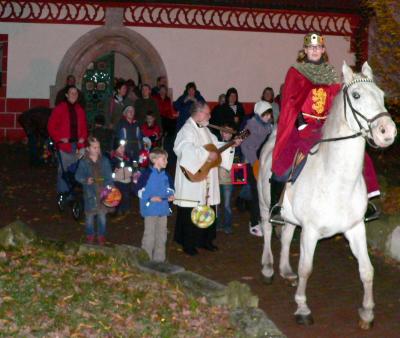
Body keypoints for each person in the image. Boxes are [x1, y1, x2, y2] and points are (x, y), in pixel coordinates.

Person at [270, 32, 380, 224]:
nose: (315, 50)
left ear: (322, 50)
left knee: (359, 154)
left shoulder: (330, 73)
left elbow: (337, 101)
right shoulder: (295, 71)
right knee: (284, 162)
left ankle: (367, 200)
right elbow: (290, 102)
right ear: (305, 50)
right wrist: (302, 126)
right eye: (311, 48)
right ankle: (276, 205)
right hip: (302, 125)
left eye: (318, 47)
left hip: (325, 125)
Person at [173, 101, 242, 256]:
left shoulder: (205, 129)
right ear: (198, 113)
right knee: (191, 210)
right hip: (193, 179)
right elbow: (183, 148)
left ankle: (205, 240)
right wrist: (204, 154)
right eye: (207, 113)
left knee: (208, 209)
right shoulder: (187, 129)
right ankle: (188, 243)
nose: (210, 116)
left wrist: (231, 144)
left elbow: (215, 145)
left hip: (207, 178)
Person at [240, 101, 274, 236]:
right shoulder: (250, 125)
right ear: (259, 113)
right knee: (255, 193)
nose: (268, 117)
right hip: (252, 162)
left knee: (262, 192)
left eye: (269, 114)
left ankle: (261, 218)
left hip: (264, 163)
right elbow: (244, 144)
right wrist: (255, 162)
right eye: (265, 114)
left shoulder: (269, 127)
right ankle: (253, 222)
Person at [136, 148, 175, 262]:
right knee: (149, 236)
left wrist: (171, 195)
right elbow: (138, 189)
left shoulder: (166, 175)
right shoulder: (146, 174)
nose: (166, 161)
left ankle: (159, 260)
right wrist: (150, 197)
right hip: (150, 210)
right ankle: (145, 259)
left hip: (163, 210)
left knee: (162, 236)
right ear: (154, 160)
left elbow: (170, 188)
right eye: (164, 159)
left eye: (166, 159)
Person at [48, 85, 88, 195]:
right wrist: (59, 139)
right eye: (71, 93)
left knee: (75, 170)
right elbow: (51, 126)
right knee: (64, 170)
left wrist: (82, 140)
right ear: (67, 95)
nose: (74, 95)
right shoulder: (60, 109)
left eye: (76, 93)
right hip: (65, 146)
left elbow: (84, 128)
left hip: (77, 146)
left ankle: (72, 193)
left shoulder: (80, 110)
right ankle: (63, 194)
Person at [75, 136, 114, 245]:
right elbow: (77, 176)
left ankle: (101, 235)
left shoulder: (104, 161)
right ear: (88, 149)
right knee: (90, 217)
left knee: (102, 217)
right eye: (94, 147)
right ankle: (90, 235)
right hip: (90, 195)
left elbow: (109, 177)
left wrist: (110, 188)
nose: (97, 150)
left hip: (103, 194)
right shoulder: (84, 162)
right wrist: (86, 180)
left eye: (98, 147)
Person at [217, 125, 236, 234]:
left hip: (228, 180)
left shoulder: (235, 146)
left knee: (227, 204)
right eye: (225, 132)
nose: (227, 134)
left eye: (229, 132)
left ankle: (228, 225)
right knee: (217, 204)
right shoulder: (216, 144)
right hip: (216, 179)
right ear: (221, 132)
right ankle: (218, 224)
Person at [110, 137, 133, 217]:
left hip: (127, 180)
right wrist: (114, 169)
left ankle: (126, 209)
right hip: (118, 181)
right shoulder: (113, 158)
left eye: (123, 147)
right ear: (116, 149)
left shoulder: (127, 156)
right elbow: (110, 167)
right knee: (118, 196)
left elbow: (133, 163)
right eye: (120, 147)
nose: (122, 149)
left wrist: (135, 168)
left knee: (126, 196)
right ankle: (118, 210)